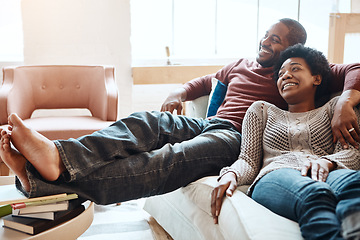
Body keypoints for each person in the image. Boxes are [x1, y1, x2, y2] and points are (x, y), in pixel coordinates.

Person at [0, 18, 360, 205]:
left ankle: (39, 178)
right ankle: (59, 158)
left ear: (294, 48)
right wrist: (177, 91)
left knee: (163, 161)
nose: (266, 42)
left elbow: (354, 69)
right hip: (206, 122)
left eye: (276, 40)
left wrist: (344, 100)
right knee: (146, 121)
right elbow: (201, 84)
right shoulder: (240, 64)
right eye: (265, 35)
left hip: (235, 138)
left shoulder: (292, 72)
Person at [210, 44, 360, 240]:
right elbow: (248, 159)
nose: (286, 75)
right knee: (315, 193)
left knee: (354, 184)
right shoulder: (262, 110)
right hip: (276, 176)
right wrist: (232, 173)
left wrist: (327, 161)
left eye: (295, 68)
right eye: (281, 74)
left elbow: (353, 153)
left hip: (327, 171)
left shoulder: (334, 108)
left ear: (317, 78)